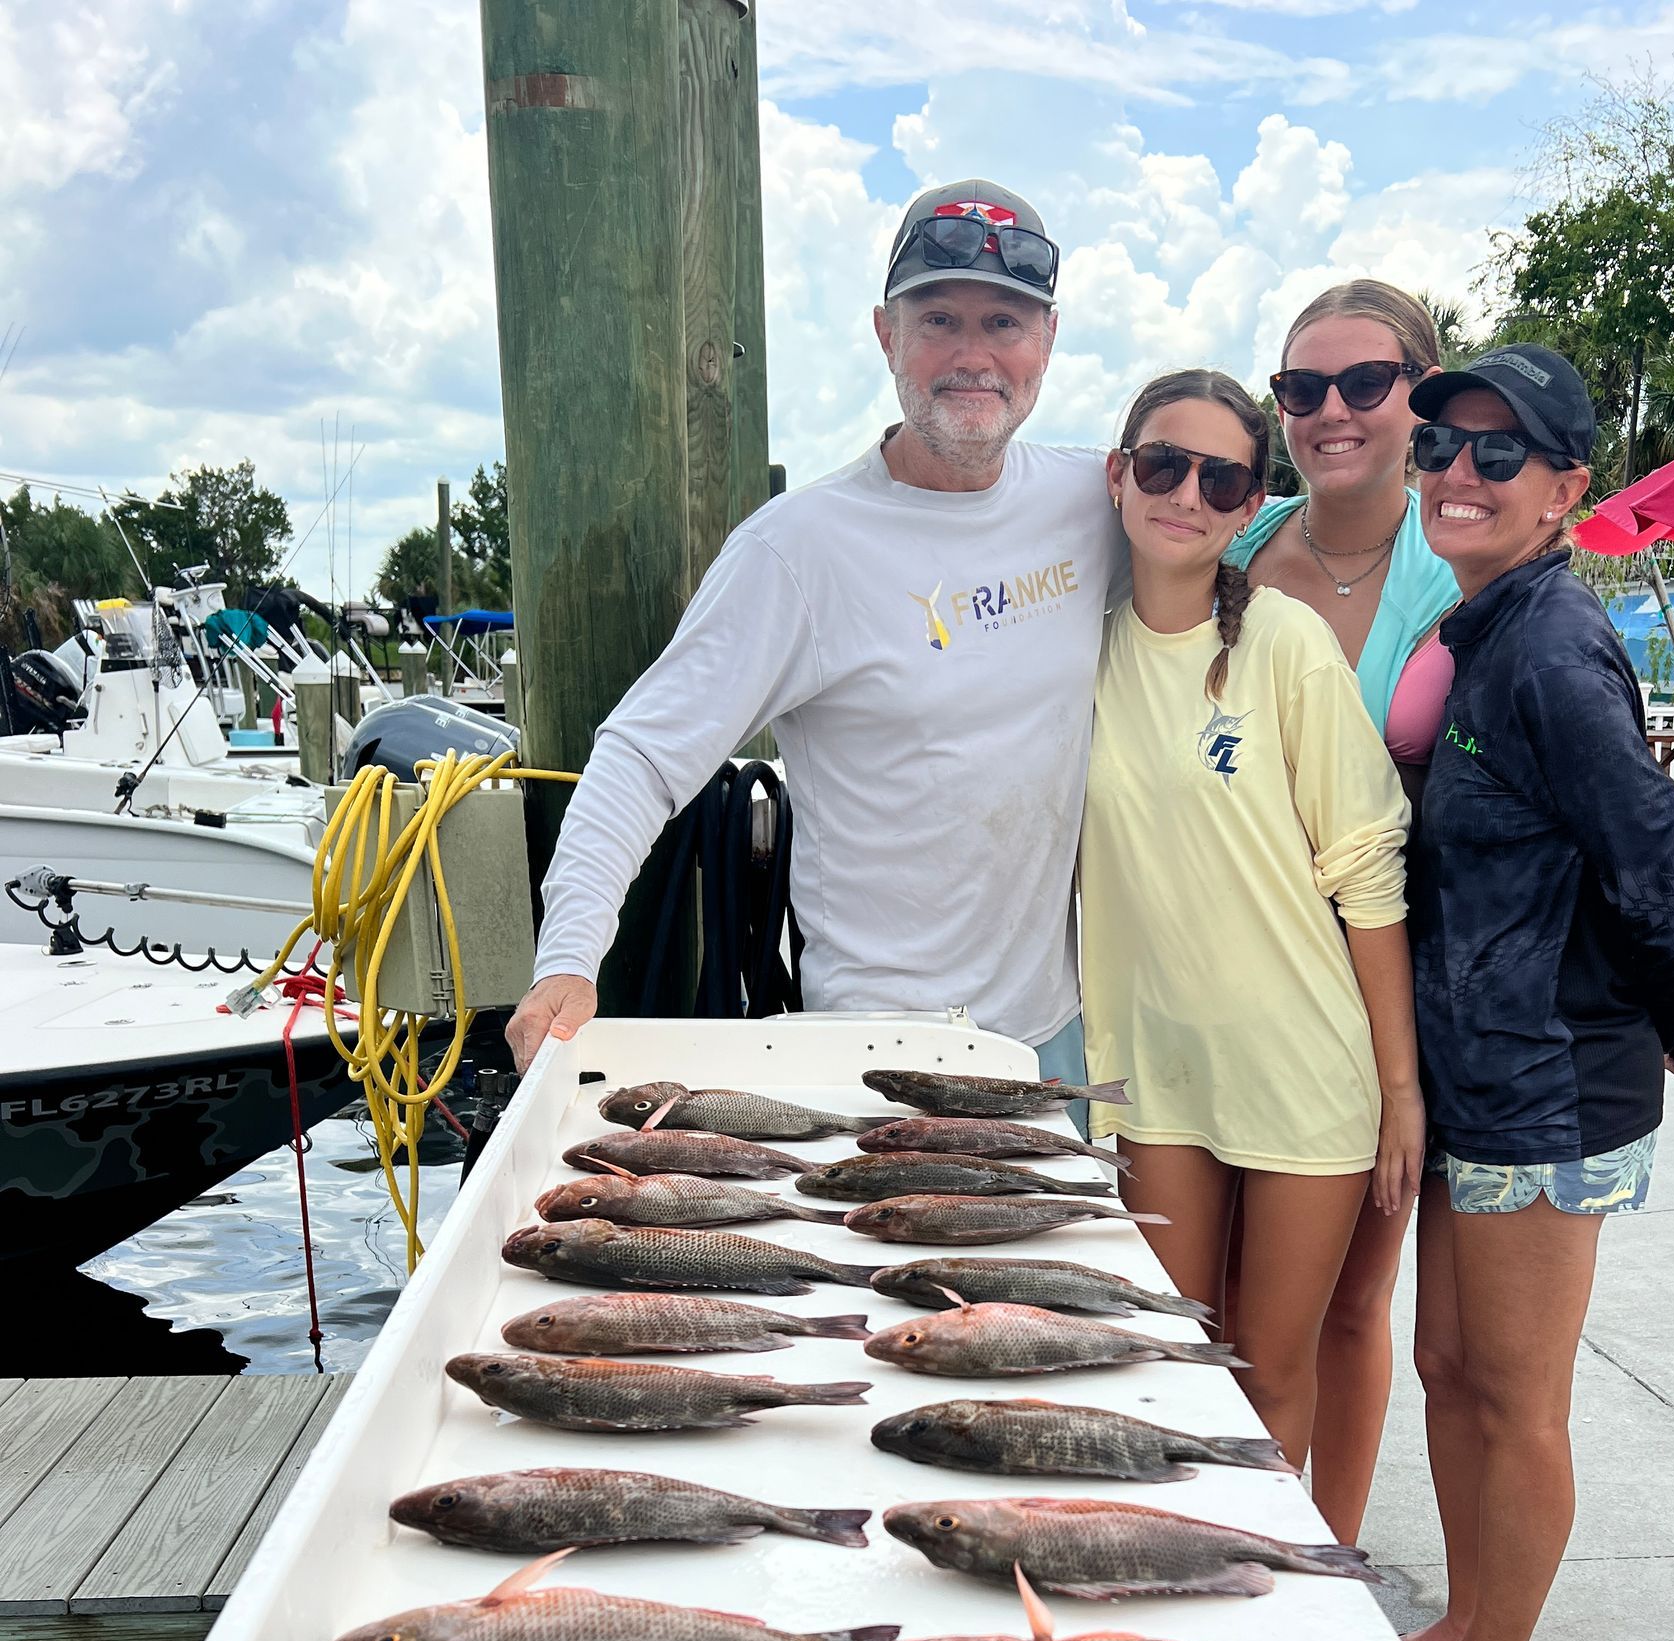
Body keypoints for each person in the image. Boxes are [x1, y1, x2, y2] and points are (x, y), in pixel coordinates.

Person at [504, 183, 1121, 1083]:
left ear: (1048, 341)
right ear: (886, 334)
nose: (973, 355)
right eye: (939, 320)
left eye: (1004, 323)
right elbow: (642, 755)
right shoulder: (796, 549)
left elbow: (1253, 537)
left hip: (1052, 1037)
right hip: (878, 1052)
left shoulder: (1095, 502)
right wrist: (567, 959)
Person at [1405, 344, 1674, 1641]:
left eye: (1498, 453)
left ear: (1565, 489)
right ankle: (1464, 1619)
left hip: (1547, 1084)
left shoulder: (1551, 648)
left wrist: (1659, 1018)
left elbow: (1660, 868)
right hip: (1471, 1073)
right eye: (1441, 447)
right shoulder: (1489, 627)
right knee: (1449, 1369)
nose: (1458, 473)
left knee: (1518, 1395)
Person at [1078, 369, 1418, 1470]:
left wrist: (1402, 1091)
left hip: (1303, 1070)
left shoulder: (1282, 642)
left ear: (1247, 505)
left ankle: (1278, 1579)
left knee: (1272, 1374)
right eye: (1162, 465)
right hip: (1156, 1073)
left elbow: (1368, 872)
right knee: (1171, 1366)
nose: (1187, 494)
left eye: (1220, 479)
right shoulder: (1076, 652)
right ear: (1118, 476)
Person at [1221, 280, 1458, 1544]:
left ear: (1419, 395)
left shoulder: (1455, 566)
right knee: (1226, 1302)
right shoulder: (1234, 533)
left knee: (1351, 1302)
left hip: (1374, 980)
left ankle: (1335, 1554)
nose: (1332, 411)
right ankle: (1227, 1543)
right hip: (1225, 969)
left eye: (1366, 382)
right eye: (1302, 388)